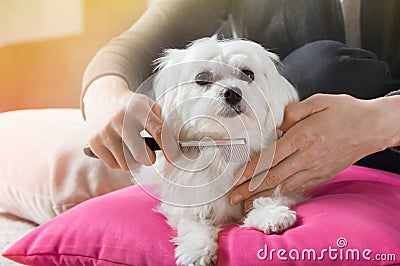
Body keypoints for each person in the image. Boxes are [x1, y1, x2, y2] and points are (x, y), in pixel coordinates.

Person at [81, 0, 400, 208]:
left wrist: (381, 121)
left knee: (321, 69)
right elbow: (133, 48)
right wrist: (103, 95)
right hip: (263, 162)